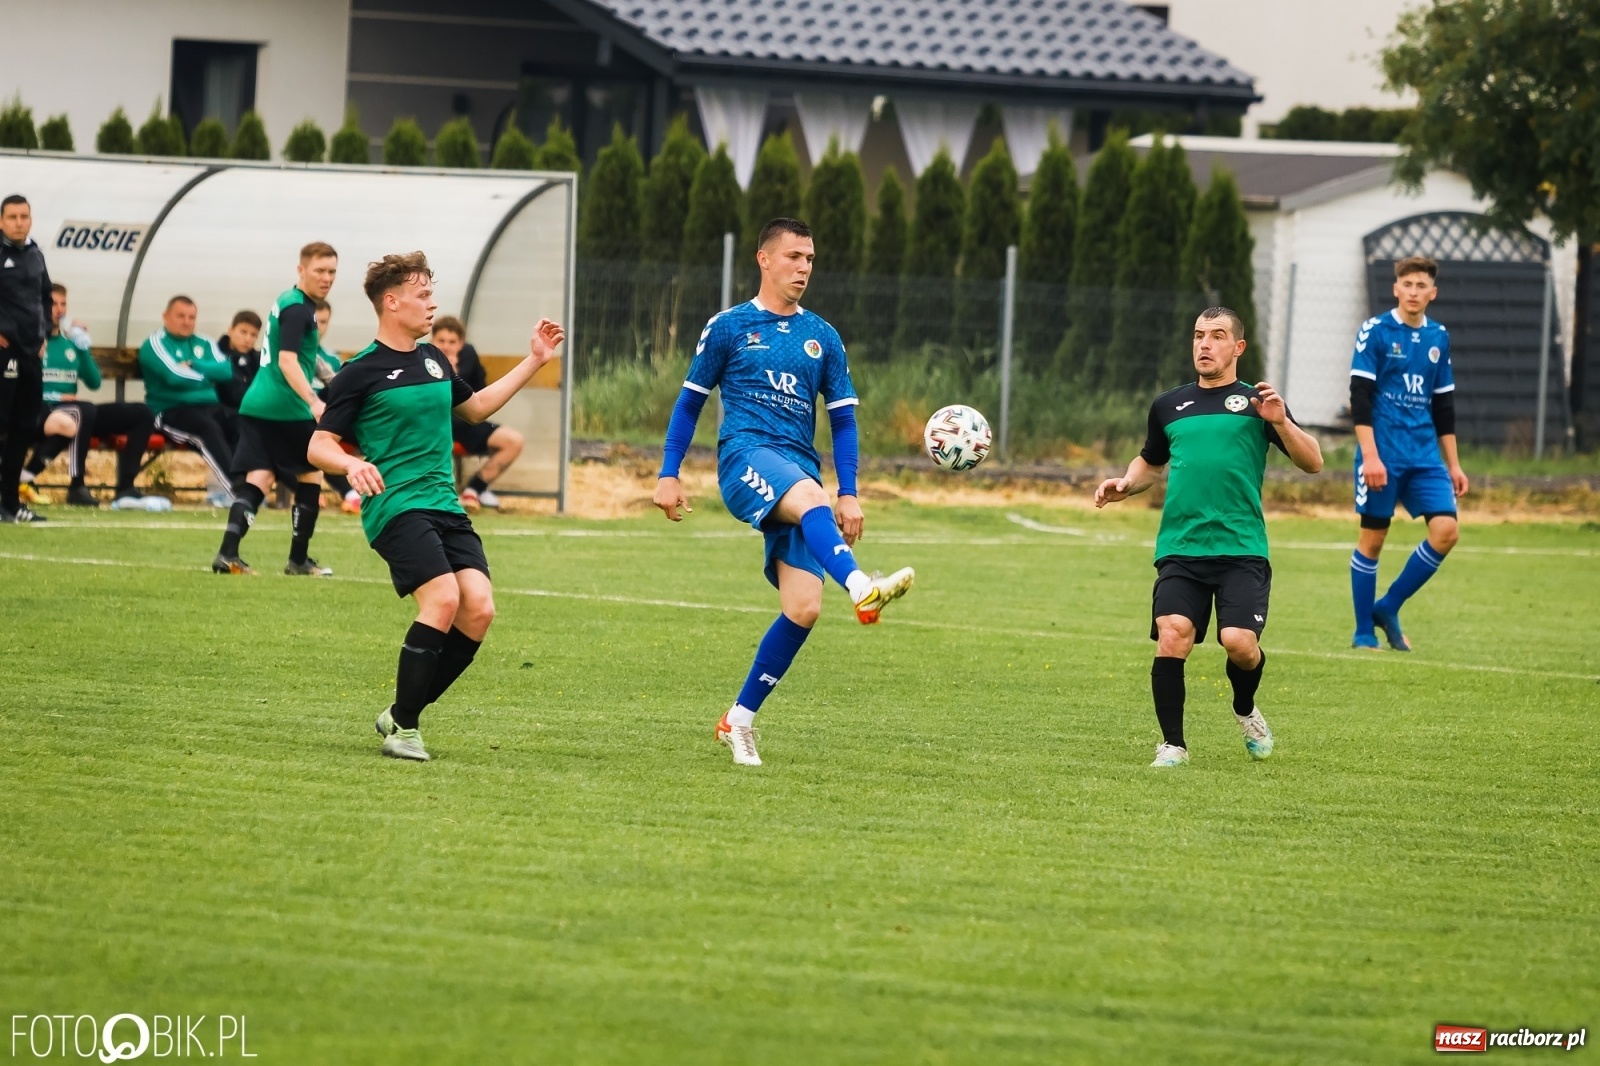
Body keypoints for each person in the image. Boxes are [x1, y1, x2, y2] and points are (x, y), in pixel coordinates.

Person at [652, 217, 915, 768]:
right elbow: (690, 401)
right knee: (811, 502)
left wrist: (850, 492)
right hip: (745, 457)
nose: (804, 268)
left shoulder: (824, 337)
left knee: (803, 608)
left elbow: (843, 422)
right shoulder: (728, 327)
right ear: (764, 259)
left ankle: (738, 721)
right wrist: (668, 473)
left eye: (811, 259)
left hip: (801, 471)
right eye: (794, 256)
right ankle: (863, 585)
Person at [307, 250, 564, 762]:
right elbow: (318, 445)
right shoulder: (358, 371)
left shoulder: (433, 360)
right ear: (392, 301)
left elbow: (476, 408)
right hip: (396, 506)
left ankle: (400, 713)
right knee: (443, 600)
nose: (432, 304)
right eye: (423, 295)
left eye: (431, 293)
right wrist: (349, 465)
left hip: (445, 505)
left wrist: (534, 360)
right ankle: (405, 730)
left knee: (479, 611)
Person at [1095, 307, 1323, 768]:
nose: (1204, 344)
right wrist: (1125, 482)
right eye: (1199, 335)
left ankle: (1244, 708)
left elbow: (1313, 461)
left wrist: (1280, 422)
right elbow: (1150, 462)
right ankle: (1173, 745)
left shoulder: (1259, 403)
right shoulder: (1168, 405)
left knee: (1239, 643)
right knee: (1172, 634)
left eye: (1217, 336)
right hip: (1182, 546)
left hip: (1242, 549)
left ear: (1237, 348)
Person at [1347, 255, 1468, 651]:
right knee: (1373, 540)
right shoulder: (1376, 331)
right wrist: (1371, 456)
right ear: (1396, 288)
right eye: (1407, 284)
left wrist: (1453, 464)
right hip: (1382, 454)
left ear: (1432, 293)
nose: (1414, 292)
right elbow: (1359, 398)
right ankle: (1364, 631)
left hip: (1425, 457)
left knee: (1446, 531)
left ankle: (1389, 605)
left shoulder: (1439, 337)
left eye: (1422, 286)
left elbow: (1443, 406)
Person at [216, 241, 337, 577]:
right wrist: (313, 401)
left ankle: (228, 554)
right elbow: (288, 360)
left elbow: (297, 358)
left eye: (332, 272)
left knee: (260, 476)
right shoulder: (300, 310)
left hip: (257, 403)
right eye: (319, 270)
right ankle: (298, 561)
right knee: (311, 474)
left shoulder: (287, 300)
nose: (327, 278)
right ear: (301, 270)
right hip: (285, 406)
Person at [24, 283, 156, 507]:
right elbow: (22, 382)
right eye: (53, 304)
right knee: (82, 410)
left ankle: (125, 488)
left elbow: (94, 382)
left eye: (63, 304)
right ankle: (77, 485)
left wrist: (82, 347)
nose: (58, 309)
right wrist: (55, 395)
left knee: (141, 413)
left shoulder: (70, 344)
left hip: (76, 413)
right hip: (40, 411)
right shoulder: (31, 340)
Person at [140, 295, 237, 495]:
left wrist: (194, 365)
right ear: (166, 316)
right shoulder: (154, 344)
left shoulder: (205, 342)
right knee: (207, 429)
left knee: (241, 423)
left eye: (191, 317)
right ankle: (238, 491)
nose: (187, 322)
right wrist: (208, 376)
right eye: (181, 316)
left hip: (209, 406)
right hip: (171, 410)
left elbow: (227, 371)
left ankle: (254, 487)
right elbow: (173, 377)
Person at [431, 316, 522, 512]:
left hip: (466, 424)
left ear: (461, 344)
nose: (446, 346)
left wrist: (455, 373)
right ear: (432, 341)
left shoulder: (469, 356)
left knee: (513, 440)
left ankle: (474, 490)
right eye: (441, 341)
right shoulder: (423, 357)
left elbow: (482, 394)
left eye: (452, 341)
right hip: (433, 426)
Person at [0, 193, 53, 522]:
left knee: (23, 428)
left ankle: (11, 503)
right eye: (13, 217)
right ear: (1, 221)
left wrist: (45, 332)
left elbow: (46, 296)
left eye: (24, 216)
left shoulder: (36, 254)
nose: (19, 222)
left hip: (32, 353)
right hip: (5, 352)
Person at [309, 298, 359, 512]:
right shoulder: (290, 355)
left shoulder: (331, 357)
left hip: (331, 413)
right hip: (303, 414)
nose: (318, 328)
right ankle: (347, 493)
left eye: (323, 322)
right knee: (319, 436)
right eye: (314, 322)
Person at [214, 310, 263, 413]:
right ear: (230, 331)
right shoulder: (215, 356)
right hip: (225, 413)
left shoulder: (260, 359)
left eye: (253, 335)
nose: (247, 339)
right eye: (243, 332)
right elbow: (235, 394)